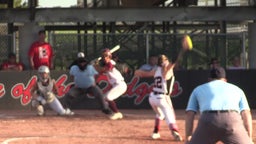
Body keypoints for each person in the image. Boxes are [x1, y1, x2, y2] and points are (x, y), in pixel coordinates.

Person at [185, 67, 253, 144]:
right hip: (231, 121)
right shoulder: (237, 89)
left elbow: (189, 114)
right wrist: (249, 138)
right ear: (225, 80)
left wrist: (188, 136)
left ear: (209, 80)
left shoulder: (198, 89)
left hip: (208, 121)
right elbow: (246, 113)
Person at [134, 54, 183, 141]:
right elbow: (170, 66)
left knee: (160, 114)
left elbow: (141, 73)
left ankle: (155, 132)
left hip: (152, 98)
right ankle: (175, 132)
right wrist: (175, 59)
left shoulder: (156, 70)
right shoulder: (167, 70)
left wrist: (138, 72)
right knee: (170, 116)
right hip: (162, 97)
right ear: (165, 61)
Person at [97, 49, 127, 120]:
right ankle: (110, 112)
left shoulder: (111, 62)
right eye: (104, 56)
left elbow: (108, 68)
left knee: (108, 97)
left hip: (120, 84)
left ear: (110, 56)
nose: (105, 58)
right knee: (104, 98)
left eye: (107, 56)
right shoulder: (105, 65)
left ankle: (117, 113)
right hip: (116, 85)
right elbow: (100, 72)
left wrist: (97, 66)